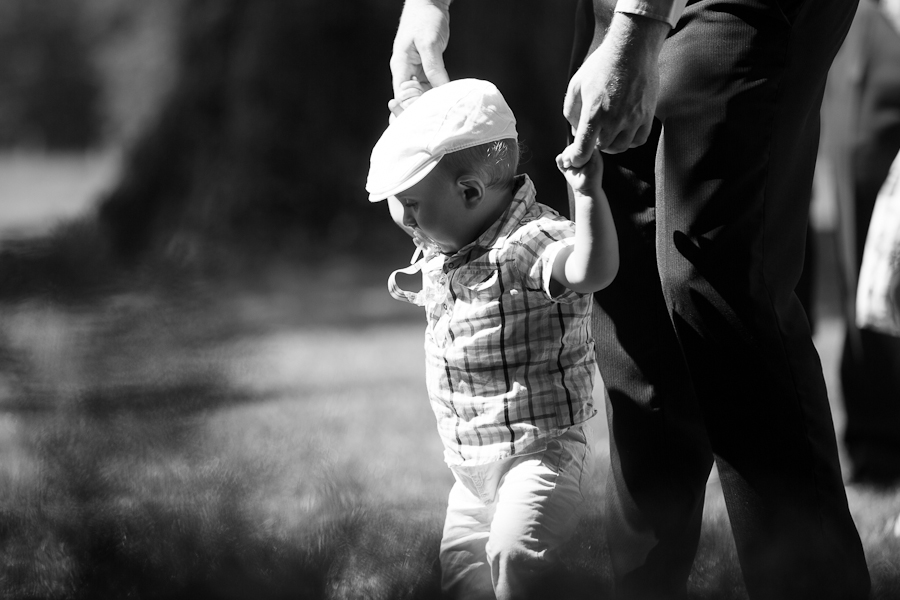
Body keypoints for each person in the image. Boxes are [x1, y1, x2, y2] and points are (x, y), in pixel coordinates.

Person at [389, 1, 871, 599]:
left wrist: (637, 29)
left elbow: (584, 263)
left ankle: (810, 586)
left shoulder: (526, 243)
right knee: (632, 308)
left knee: (711, 282)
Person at [365, 77, 618, 599]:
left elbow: (592, 271)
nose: (405, 220)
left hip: (538, 454)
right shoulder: (446, 243)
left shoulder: (530, 240)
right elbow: (421, 186)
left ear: (470, 193)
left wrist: (589, 195)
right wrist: (409, 125)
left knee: (516, 558)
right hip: (470, 468)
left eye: (412, 204)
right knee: (464, 580)